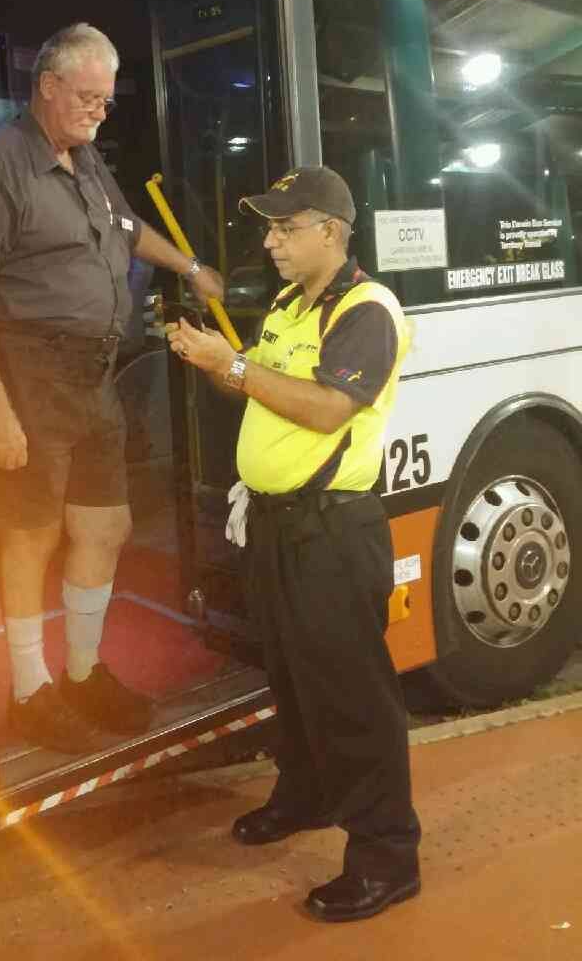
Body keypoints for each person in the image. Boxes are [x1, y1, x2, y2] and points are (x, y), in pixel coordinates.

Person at [165, 165, 421, 924]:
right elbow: (265, 388)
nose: (271, 240)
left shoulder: (368, 310)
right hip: (278, 524)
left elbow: (326, 408)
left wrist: (232, 366)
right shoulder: (287, 303)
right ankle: (306, 794)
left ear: (332, 233)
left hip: (332, 531)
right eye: (269, 227)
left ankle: (387, 856)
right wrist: (215, 359)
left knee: (352, 697)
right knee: (292, 678)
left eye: (286, 227)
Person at [0, 22, 222, 755]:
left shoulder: (85, 161)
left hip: (94, 374)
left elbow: (128, 228)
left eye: (106, 102)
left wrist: (189, 267)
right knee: (29, 534)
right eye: (87, 97)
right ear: (47, 86)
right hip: (31, 374)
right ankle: (27, 691)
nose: (98, 111)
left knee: (104, 527)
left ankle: (81, 673)